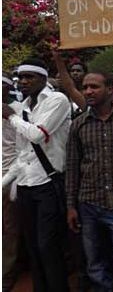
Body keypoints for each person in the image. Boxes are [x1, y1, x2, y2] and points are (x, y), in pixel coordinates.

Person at [65, 69, 113, 292]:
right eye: (85, 87)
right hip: (87, 204)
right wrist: (71, 206)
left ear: (110, 90)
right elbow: (72, 167)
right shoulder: (78, 124)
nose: (88, 91)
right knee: (95, 265)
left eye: (94, 86)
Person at [2, 58, 71, 292]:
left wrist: (9, 116)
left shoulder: (57, 101)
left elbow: (37, 135)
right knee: (33, 246)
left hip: (48, 183)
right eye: (20, 78)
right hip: (25, 184)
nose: (23, 82)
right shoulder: (22, 109)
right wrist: (4, 182)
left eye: (29, 77)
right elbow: (23, 155)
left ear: (43, 78)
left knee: (48, 245)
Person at [2, 73, 24, 291]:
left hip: (10, 176)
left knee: (9, 228)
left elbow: (23, 149)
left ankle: (6, 272)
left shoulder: (17, 110)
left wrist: (12, 180)